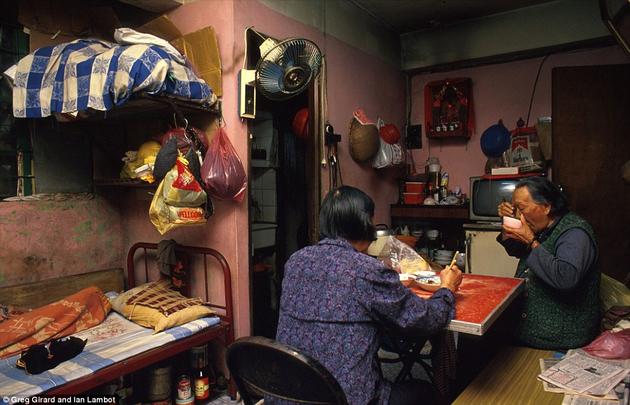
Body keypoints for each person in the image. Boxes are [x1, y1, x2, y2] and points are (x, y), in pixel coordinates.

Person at [273, 186, 462, 405]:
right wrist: (447, 288)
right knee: (427, 393)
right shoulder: (366, 270)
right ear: (364, 224)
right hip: (341, 399)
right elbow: (426, 319)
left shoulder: (295, 261)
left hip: (287, 394)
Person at [497, 176, 599, 350]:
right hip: (528, 326)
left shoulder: (575, 233)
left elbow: (566, 279)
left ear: (546, 207)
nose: (519, 215)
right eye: (515, 209)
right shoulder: (543, 225)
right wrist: (509, 224)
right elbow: (517, 250)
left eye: (521, 208)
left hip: (559, 336)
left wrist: (531, 241)